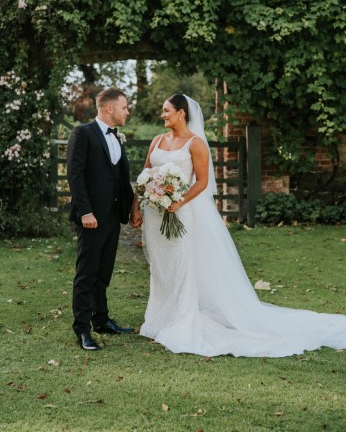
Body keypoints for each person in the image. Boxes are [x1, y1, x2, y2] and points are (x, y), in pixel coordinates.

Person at [130, 94, 346, 357]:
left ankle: (181, 319)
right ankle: (158, 318)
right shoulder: (157, 141)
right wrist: (136, 207)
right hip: (154, 214)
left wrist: (178, 200)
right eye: (162, 111)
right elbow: (144, 177)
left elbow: (201, 182)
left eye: (166, 110)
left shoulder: (195, 144)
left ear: (182, 113)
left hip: (179, 212)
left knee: (180, 265)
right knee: (161, 267)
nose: (162, 115)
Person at [67, 88, 142, 351]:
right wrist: (85, 211)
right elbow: (75, 175)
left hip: (112, 217)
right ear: (109, 108)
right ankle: (82, 329)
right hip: (90, 217)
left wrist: (133, 209)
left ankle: (101, 320)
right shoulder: (83, 133)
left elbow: (121, 179)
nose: (127, 111)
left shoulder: (117, 139)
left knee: (104, 272)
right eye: (124, 107)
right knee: (87, 273)